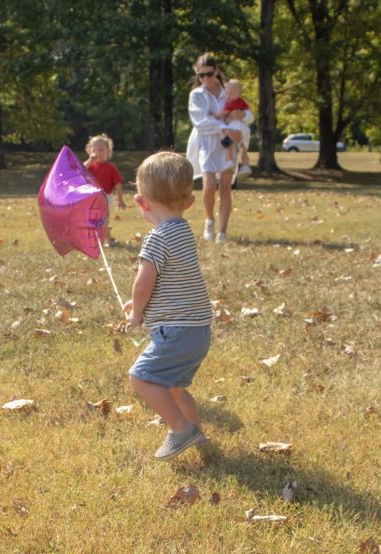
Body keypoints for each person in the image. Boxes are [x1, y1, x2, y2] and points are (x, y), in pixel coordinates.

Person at [123, 151, 213, 460]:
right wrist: (138, 304)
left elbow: (144, 281)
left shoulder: (157, 238)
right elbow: (169, 280)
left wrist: (136, 313)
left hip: (176, 332)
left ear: (142, 202)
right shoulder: (183, 231)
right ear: (189, 201)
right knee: (173, 386)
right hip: (198, 331)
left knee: (142, 377)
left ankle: (179, 428)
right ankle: (196, 432)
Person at [185, 53, 253, 244]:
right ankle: (209, 219)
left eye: (208, 74)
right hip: (207, 143)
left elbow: (247, 113)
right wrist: (223, 127)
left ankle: (222, 232)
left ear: (216, 71)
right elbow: (200, 121)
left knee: (225, 187)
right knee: (208, 185)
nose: (205, 79)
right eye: (201, 75)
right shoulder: (196, 95)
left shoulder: (228, 91)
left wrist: (240, 118)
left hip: (228, 144)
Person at [84, 134, 126, 244]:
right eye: (94, 150)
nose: (97, 153)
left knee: (102, 221)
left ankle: (106, 241)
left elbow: (118, 184)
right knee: (94, 220)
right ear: (89, 151)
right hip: (92, 198)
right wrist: (90, 160)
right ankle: (103, 240)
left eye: (101, 150)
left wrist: (120, 199)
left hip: (106, 198)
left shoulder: (110, 167)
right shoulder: (91, 166)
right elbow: (81, 170)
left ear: (108, 152)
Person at [219, 79, 252, 178]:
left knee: (226, 143)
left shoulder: (232, 103)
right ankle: (245, 166)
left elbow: (223, 114)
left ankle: (229, 161)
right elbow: (249, 116)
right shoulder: (242, 103)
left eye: (231, 93)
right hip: (245, 129)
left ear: (240, 94)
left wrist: (216, 115)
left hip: (237, 129)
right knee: (244, 150)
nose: (228, 96)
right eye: (227, 93)